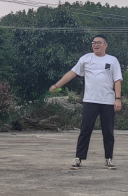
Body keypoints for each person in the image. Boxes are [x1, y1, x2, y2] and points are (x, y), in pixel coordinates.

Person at [49, 35, 123, 170]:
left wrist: (118, 99)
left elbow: (117, 80)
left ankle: (109, 159)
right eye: (94, 42)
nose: (96, 45)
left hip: (107, 101)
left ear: (105, 45)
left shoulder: (112, 60)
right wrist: (57, 85)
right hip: (90, 101)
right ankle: (78, 158)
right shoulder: (86, 59)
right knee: (85, 130)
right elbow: (72, 73)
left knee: (108, 132)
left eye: (99, 43)